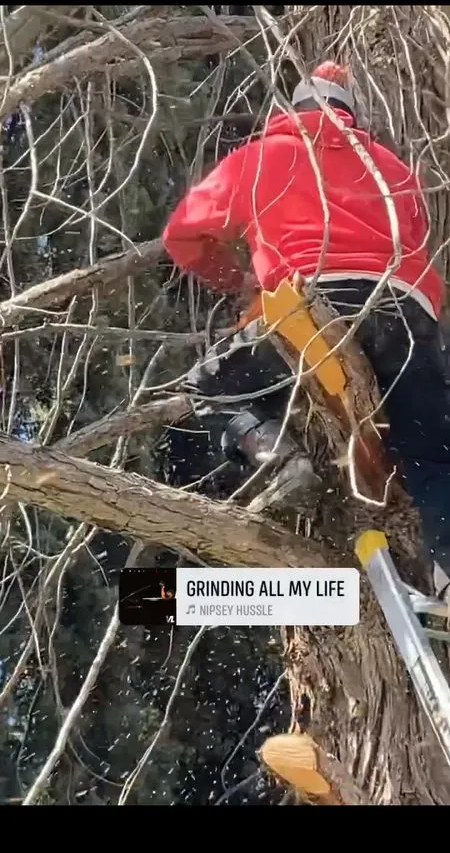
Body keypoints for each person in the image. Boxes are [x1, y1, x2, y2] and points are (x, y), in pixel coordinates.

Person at [163, 61, 450, 572]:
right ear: (350, 114)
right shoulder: (392, 167)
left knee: (211, 386)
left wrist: (235, 279)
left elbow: (181, 235)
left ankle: (280, 458)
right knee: (431, 454)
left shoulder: (258, 158)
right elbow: (417, 239)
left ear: (293, 112)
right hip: (407, 311)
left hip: (314, 303)